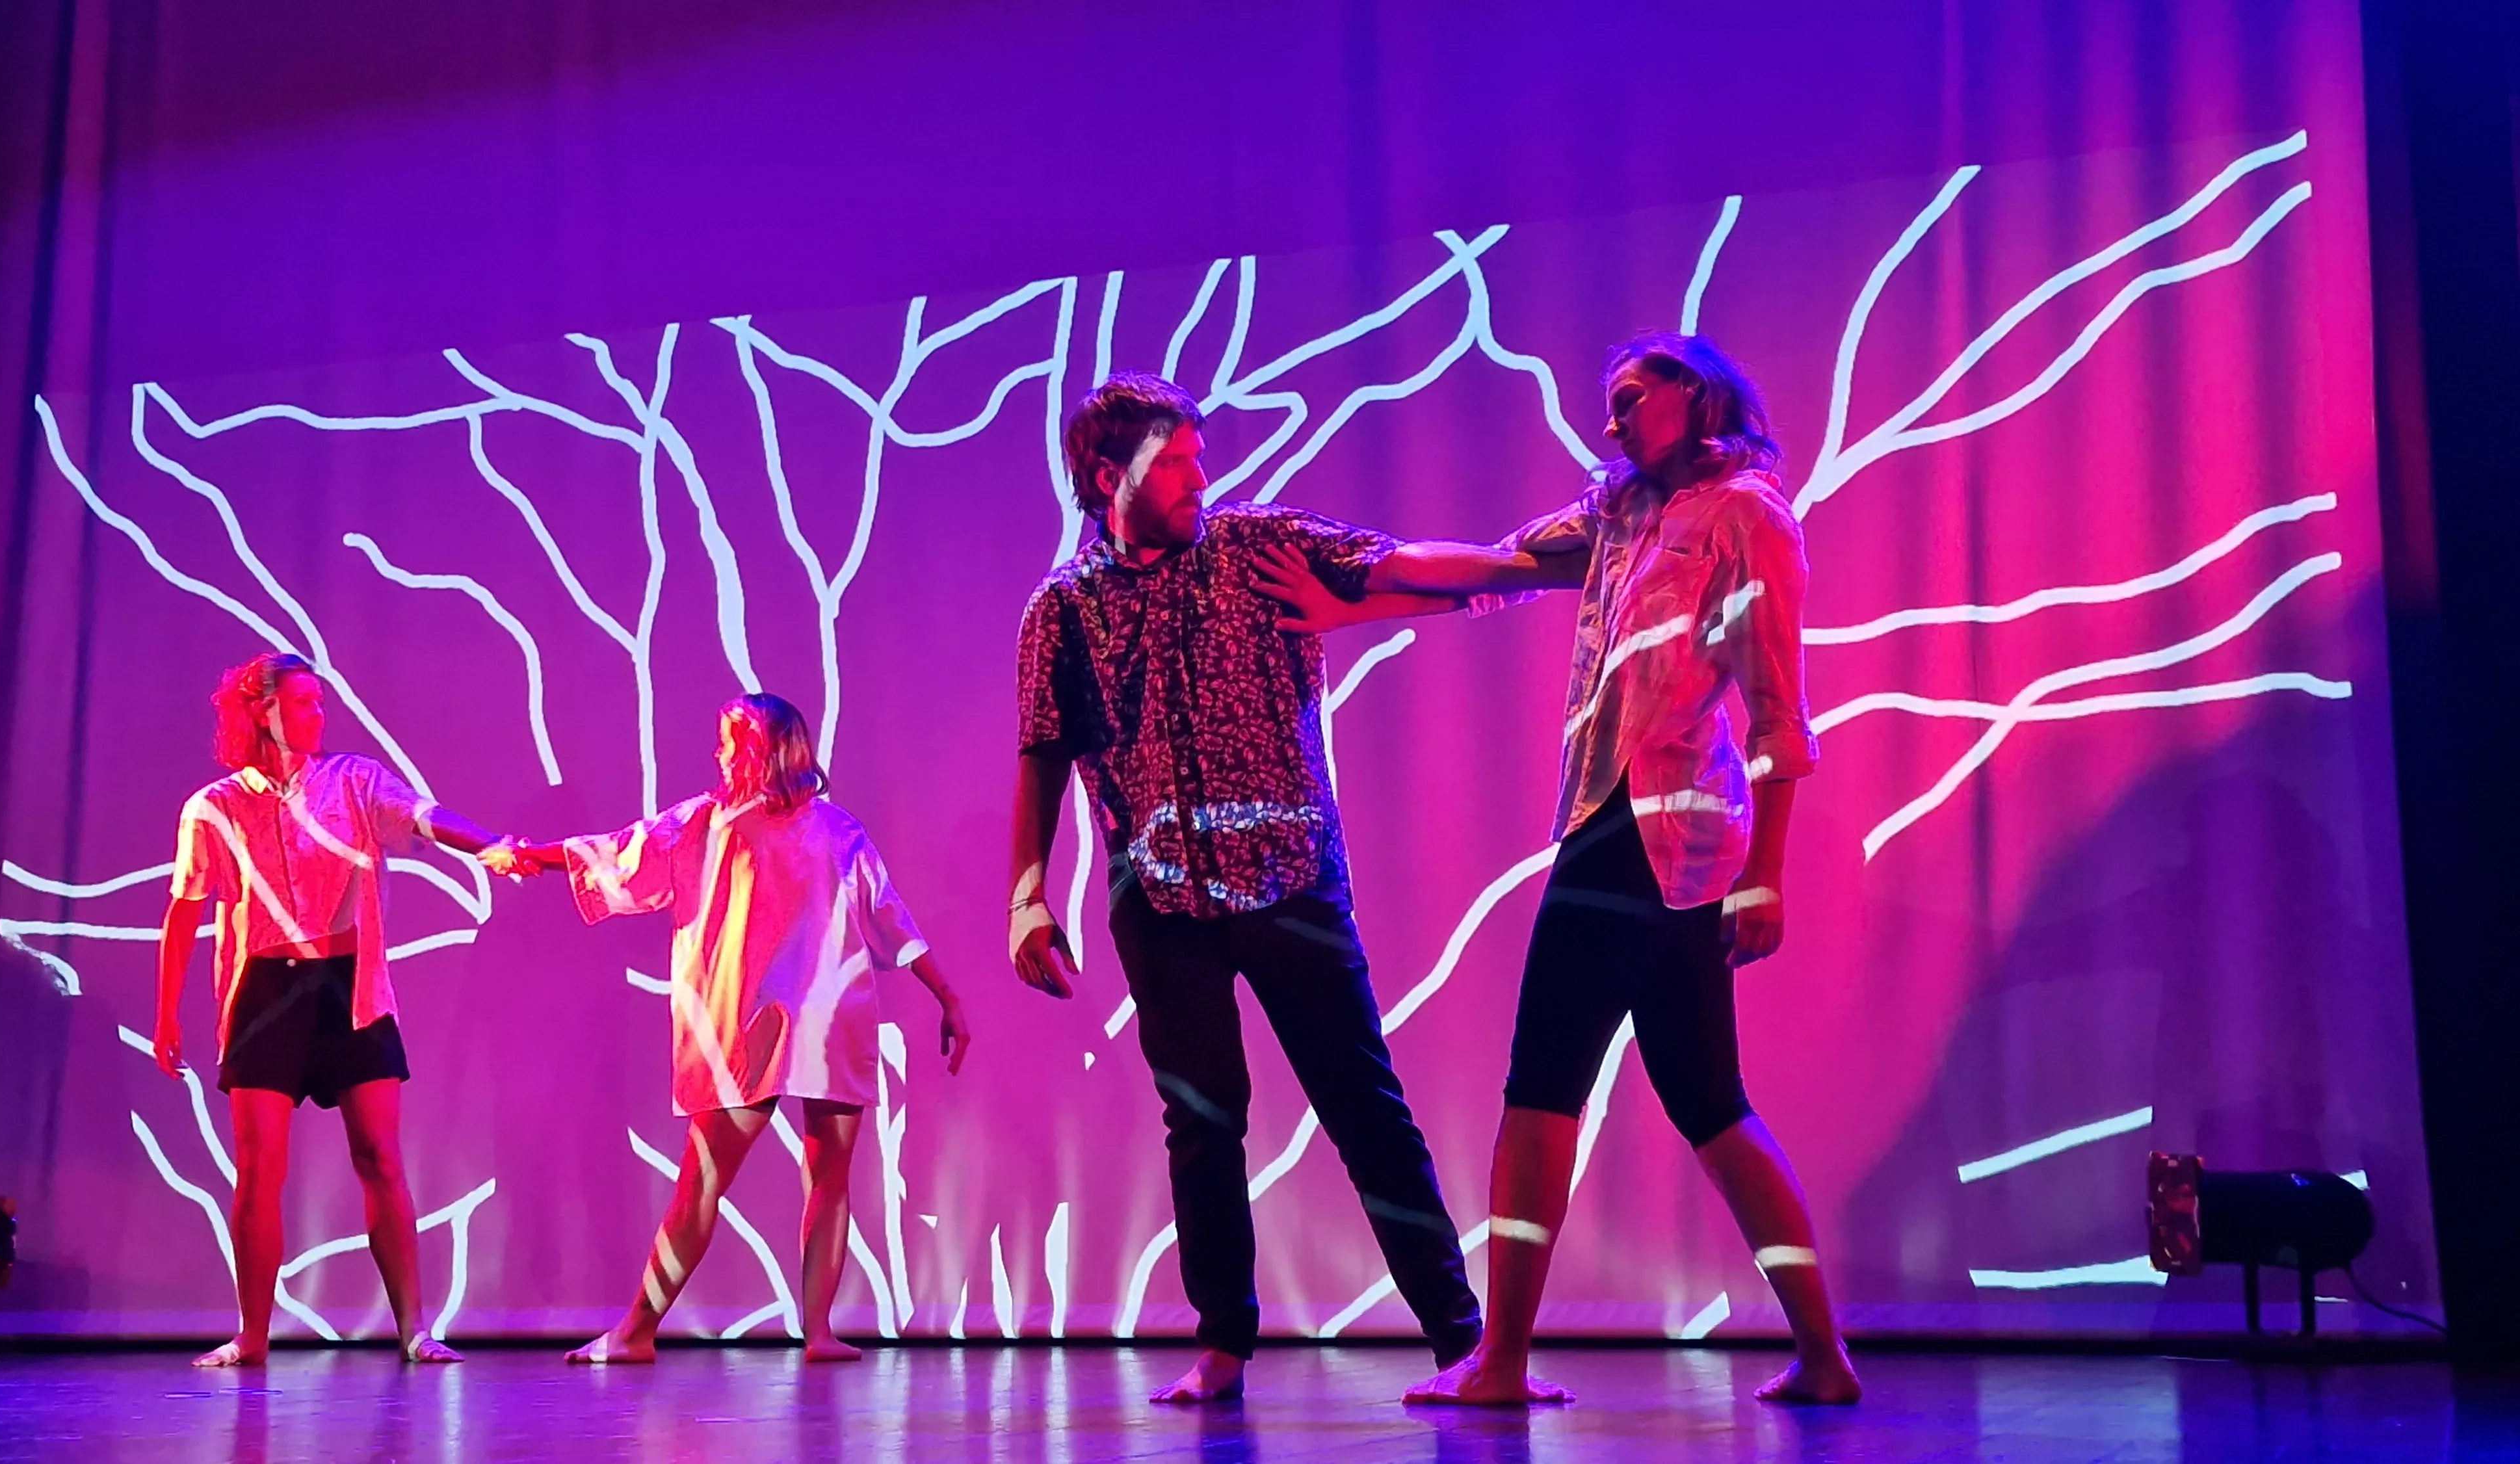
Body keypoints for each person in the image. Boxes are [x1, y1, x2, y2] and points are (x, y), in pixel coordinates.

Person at [1253, 332, 1863, 1406]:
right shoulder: (1622, 517)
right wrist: (1359, 602)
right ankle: (1823, 1356)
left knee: (1542, 1087)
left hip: (1646, 829)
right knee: (1711, 1102)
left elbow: (1779, 707)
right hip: (1623, 831)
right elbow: (1497, 567)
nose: (1612, 420)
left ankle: (1501, 1359)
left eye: (1630, 397)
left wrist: (1767, 871)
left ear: (1694, 392)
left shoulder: (1751, 516)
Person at [1010, 371, 1483, 1404]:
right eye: (1174, 464)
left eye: (1198, 458)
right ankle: (1223, 1341)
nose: (1199, 478)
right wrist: (1027, 894)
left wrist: (1526, 567)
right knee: (1202, 1120)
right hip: (1160, 896)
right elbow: (1043, 754)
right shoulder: (1063, 612)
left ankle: (1462, 1339)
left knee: (1363, 1105)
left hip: (1288, 877)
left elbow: (1390, 562)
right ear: (1108, 476)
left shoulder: (1253, 546)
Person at [482, 693, 968, 1364]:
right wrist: (530, 857)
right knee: (712, 1178)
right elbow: (615, 853)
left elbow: (889, 915)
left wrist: (947, 995)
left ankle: (804, 1330)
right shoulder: (705, 824)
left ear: (770, 748)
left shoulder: (820, 828)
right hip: (760, 1023)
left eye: (730, 739)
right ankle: (639, 1328)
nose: (718, 752)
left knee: (819, 1173)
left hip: (817, 1017)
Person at [153, 651, 510, 1366]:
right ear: (263, 711)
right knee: (260, 1169)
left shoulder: (353, 780)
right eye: (305, 702)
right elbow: (185, 909)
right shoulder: (215, 807)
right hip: (266, 992)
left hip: (351, 987)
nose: (319, 714)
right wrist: (167, 1015)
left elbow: (423, 815)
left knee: (380, 1155)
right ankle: (251, 1335)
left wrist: (492, 847)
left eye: (321, 702)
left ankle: (414, 1327)